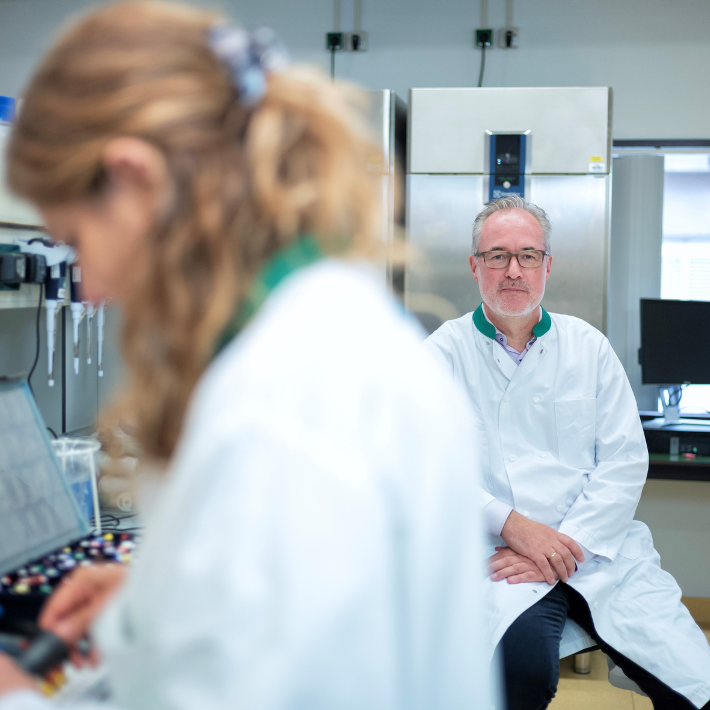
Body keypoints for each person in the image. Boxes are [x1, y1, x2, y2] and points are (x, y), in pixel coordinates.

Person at [0, 4, 491, 708]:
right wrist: (160, 597)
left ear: (136, 178)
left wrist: (16, 699)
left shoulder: (286, 406)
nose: (92, 287)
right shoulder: (329, 327)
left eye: (77, 240)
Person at [424, 195, 710, 710]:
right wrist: (515, 527)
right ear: (475, 266)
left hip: (597, 550)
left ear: (547, 266)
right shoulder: (440, 356)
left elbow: (624, 461)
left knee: (693, 683)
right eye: (498, 255)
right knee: (520, 676)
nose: (514, 270)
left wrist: (563, 546)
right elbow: (426, 470)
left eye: (528, 255)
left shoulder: (588, 348)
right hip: (499, 559)